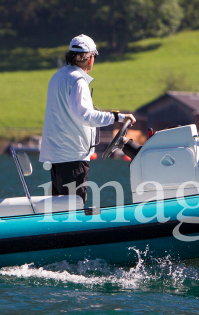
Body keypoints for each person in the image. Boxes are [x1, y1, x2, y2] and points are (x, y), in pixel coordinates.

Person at [39, 34, 134, 202]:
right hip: (73, 157)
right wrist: (118, 117)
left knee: (59, 207)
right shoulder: (78, 81)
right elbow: (86, 115)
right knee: (72, 207)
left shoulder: (58, 77)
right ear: (90, 59)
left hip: (57, 156)